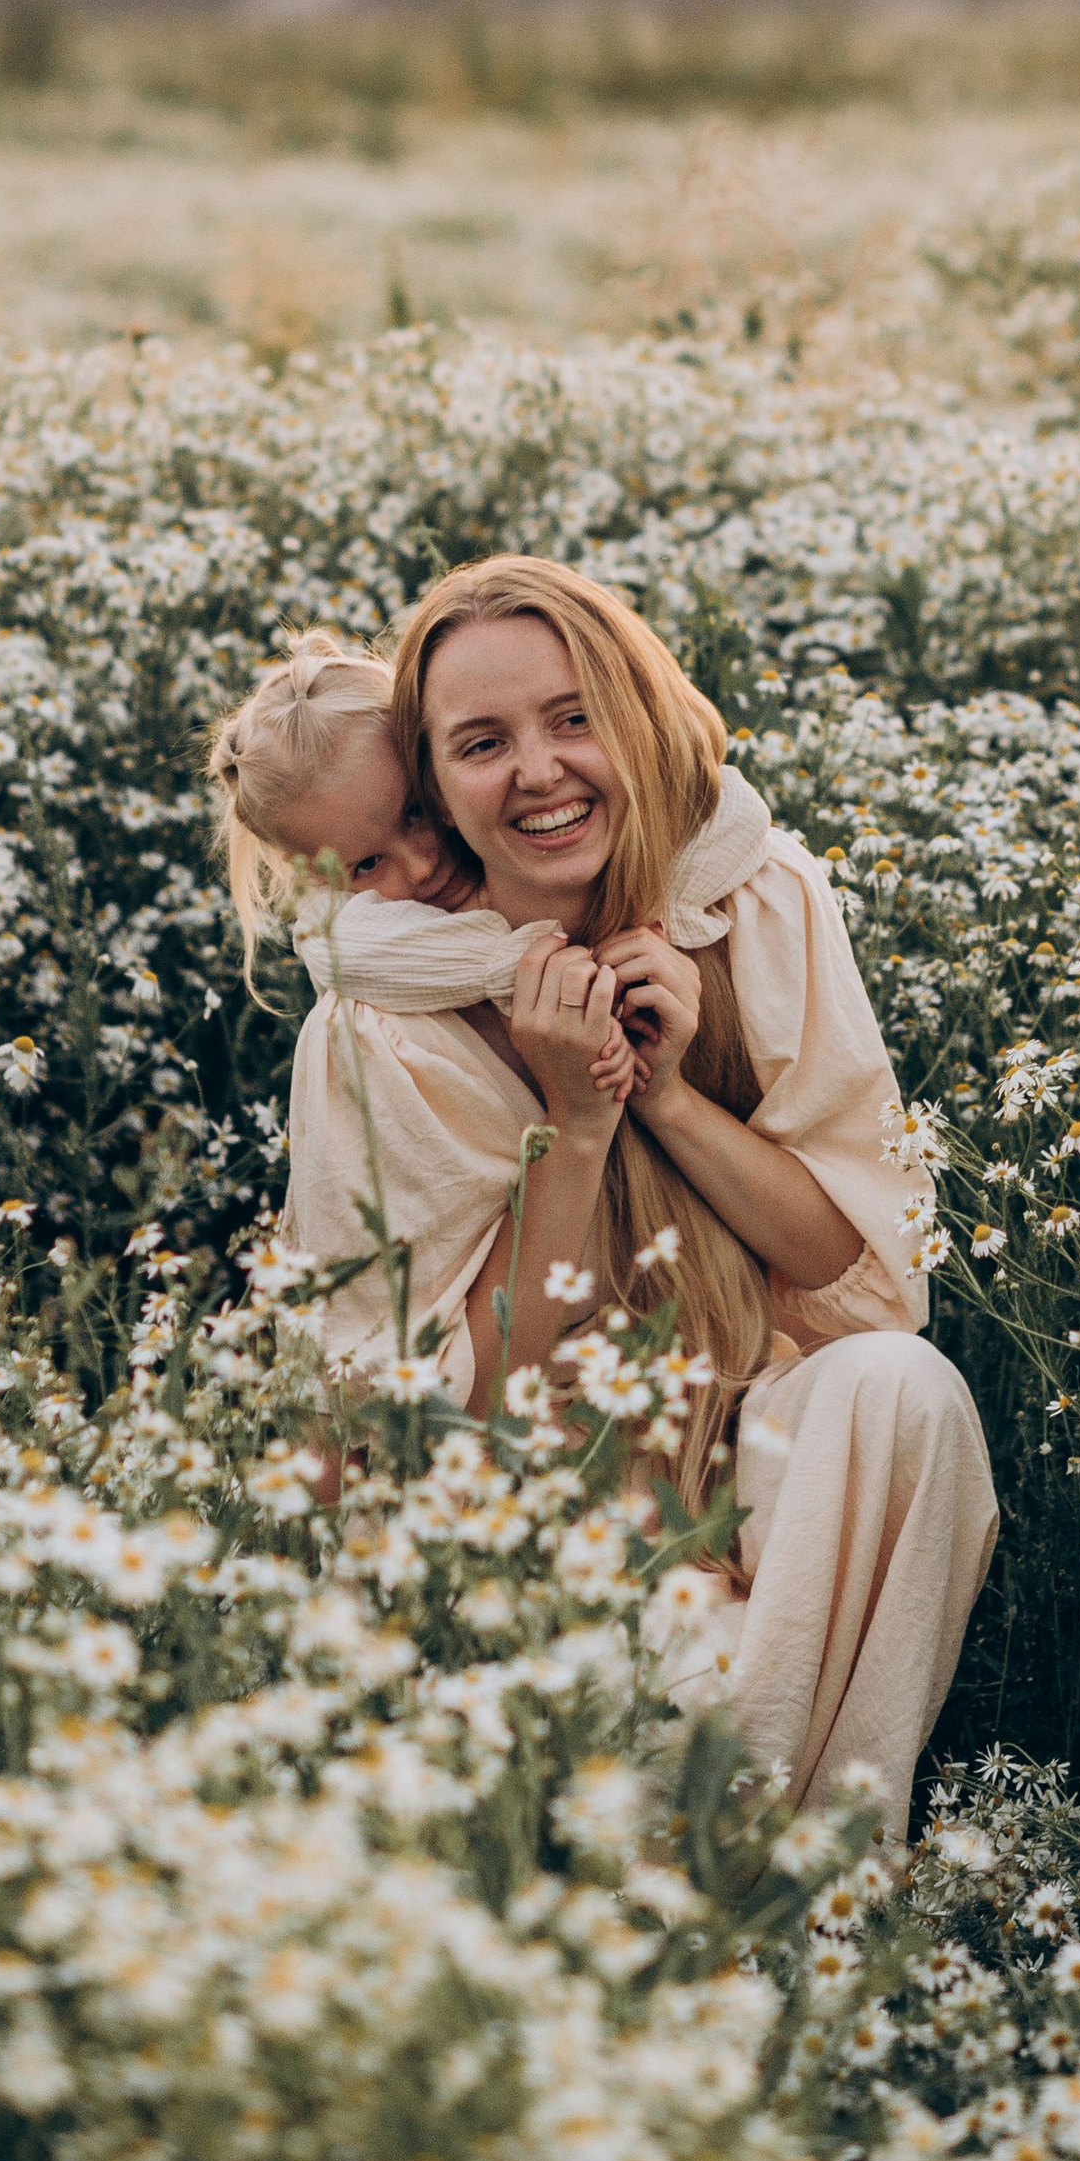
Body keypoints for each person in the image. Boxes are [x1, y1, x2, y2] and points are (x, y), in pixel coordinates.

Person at [207, 565, 996, 1832]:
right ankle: (789, 1894)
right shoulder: (375, 1032)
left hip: (749, 1441)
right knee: (677, 1721)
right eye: (480, 745)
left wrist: (671, 1095)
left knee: (904, 1390)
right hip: (544, 1500)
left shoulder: (751, 898)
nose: (534, 773)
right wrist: (575, 1122)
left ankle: (773, 1857)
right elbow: (433, 1417)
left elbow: (851, 1268)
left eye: (573, 717)